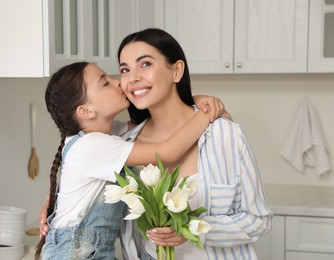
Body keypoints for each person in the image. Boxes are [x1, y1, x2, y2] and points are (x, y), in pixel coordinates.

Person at [34, 61, 226, 259]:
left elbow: (161, 118)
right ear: (86, 111)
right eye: (105, 83)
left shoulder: (106, 134)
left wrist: (193, 101)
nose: (118, 82)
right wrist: (206, 113)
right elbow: (168, 151)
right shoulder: (92, 145)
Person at [115, 28, 273, 259]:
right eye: (125, 69)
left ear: (177, 71)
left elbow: (259, 220)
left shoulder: (225, 135)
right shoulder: (124, 146)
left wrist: (192, 230)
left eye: (145, 64)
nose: (133, 77)